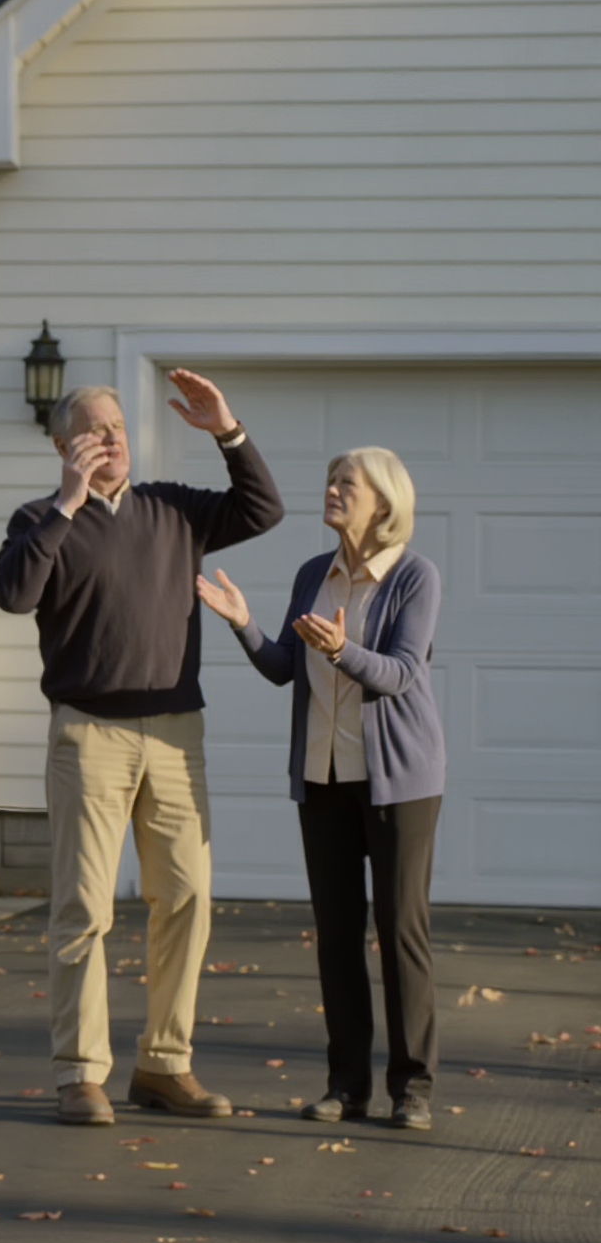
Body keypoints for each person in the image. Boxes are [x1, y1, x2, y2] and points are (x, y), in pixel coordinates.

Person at [0, 376, 283, 1126]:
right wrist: (66, 501)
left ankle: (165, 1065)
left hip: (177, 731)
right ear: (64, 446)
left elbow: (262, 509)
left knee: (185, 899)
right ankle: (80, 1073)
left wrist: (228, 431)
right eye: (92, 430)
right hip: (89, 732)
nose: (111, 439)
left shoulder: (173, 510)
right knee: (84, 907)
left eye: (117, 426)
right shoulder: (39, 520)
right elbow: (15, 594)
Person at [197, 446, 444, 1131]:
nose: (331, 490)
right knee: (336, 935)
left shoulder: (414, 577)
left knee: (400, 932)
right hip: (324, 775)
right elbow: (284, 666)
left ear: (383, 504)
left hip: (401, 782)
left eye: (346, 484)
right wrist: (242, 623)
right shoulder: (315, 574)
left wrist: (340, 651)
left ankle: (412, 1089)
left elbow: (398, 674)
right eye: (330, 480)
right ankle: (346, 1086)